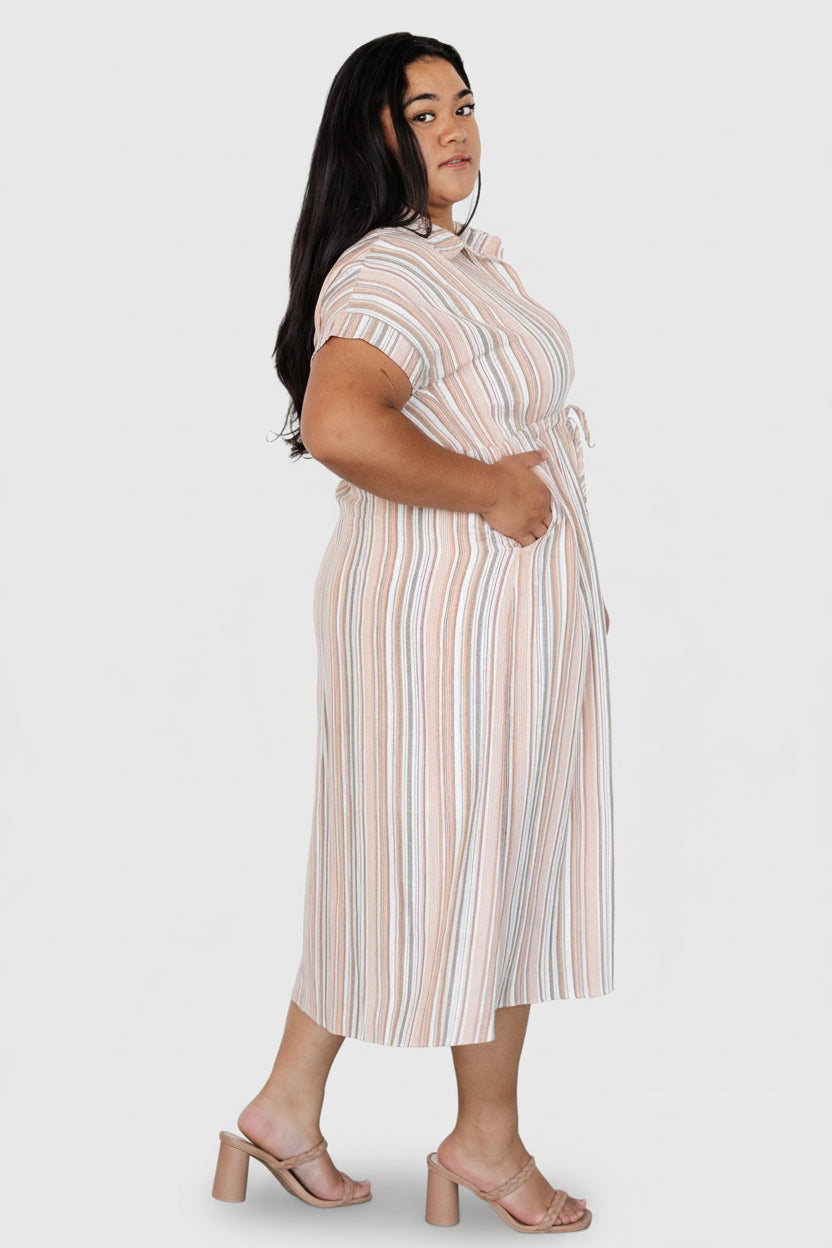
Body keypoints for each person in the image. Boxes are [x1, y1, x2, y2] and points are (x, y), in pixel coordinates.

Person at [212, 31, 613, 1235]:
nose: (454, 127)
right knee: (477, 860)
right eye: (420, 110)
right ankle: (484, 1143)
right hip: (449, 625)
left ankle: (284, 1109)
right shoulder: (390, 271)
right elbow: (341, 423)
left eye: (462, 103)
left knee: (414, 858)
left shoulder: (451, 260)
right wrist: (492, 491)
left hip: (484, 619)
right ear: (371, 137)